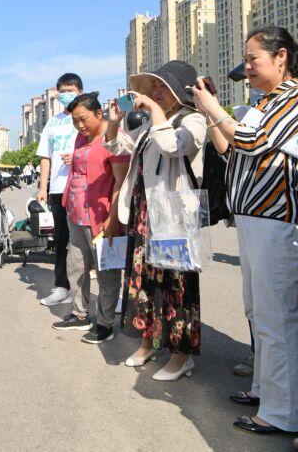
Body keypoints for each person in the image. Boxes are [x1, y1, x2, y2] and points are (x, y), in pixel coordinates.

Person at [193, 26, 298, 434]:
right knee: (260, 314)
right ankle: (266, 392)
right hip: (255, 220)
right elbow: (231, 151)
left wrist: (214, 107)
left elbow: (251, 140)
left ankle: (283, 414)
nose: (245, 68)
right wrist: (211, 114)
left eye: (252, 59)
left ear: (281, 57)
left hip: (279, 221)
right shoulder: (267, 102)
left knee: (276, 318)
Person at [105, 60, 206, 381]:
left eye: (163, 86)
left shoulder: (193, 120)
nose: (156, 92)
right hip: (144, 215)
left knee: (177, 286)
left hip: (174, 217)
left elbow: (172, 145)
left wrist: (155, 112)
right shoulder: (152, 123)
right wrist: (113, 123)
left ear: (179, 90)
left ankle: (180, 355)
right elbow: (119, 145)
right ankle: (148, 342)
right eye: (155, 87)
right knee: (145, 284)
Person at [50, 93, 129, 343]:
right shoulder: (80, 138)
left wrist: (113, 217)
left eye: (83, 119)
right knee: (76, 265)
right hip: (75, 212)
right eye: (75, 121)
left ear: (99, 113)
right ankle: (80, 313)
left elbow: (121, 181)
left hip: (100, 216)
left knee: (106, 272)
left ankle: (105, 323)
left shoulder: (113, 137)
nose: (79, 125)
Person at [37, 73, 82, 306]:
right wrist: (42, 187)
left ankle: (94, 290)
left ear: (80, 92)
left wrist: (77, 157)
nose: (66, 95)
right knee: (62, 239)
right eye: (62, 91)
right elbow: (45, 156)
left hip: (82, 187)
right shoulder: (52, 123)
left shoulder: (86, 117)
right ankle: (62, 287)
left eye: (70, 90)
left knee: (86, 240)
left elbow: (99, 147)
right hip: (57, 188)